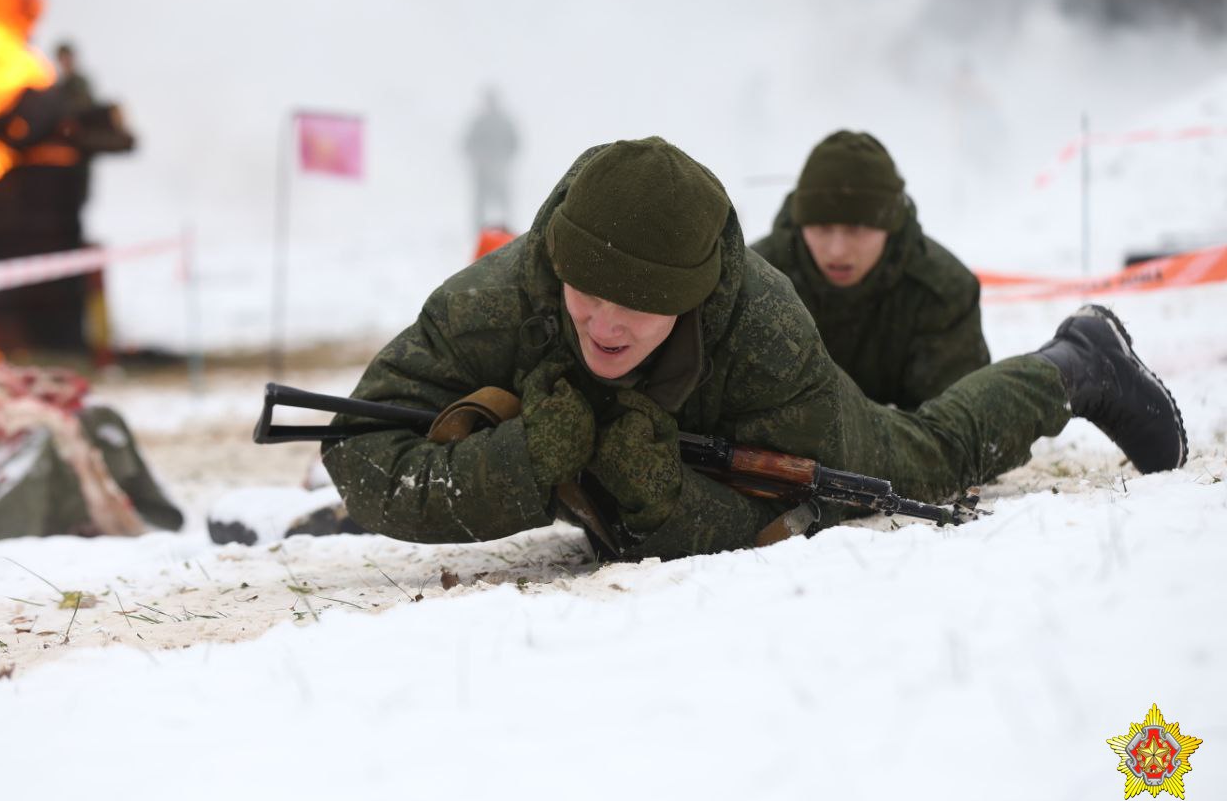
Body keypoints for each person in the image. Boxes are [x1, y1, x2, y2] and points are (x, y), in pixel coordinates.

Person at [321, 137, 1186, 561]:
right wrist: (521, 460)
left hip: (762, 417)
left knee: (927, 457)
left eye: (641, 307)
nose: (605, 325)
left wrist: (664, 501)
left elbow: (790, 520)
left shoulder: (762, 330)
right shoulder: (497, 300)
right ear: (555, 263)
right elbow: (358, 448)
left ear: (693, 299)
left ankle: (1077, 361)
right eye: (587, 294)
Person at [751, 130, 989, 409]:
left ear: (890, 227)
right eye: (821, 228)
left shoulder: (942, 290)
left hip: (903, 447)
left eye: (857, 228)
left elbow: (959, 422)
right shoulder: (754, 281)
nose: (837, 250)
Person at [463, 87, 520, 233]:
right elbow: (467, 144)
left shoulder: (504, 122)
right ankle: (479, 231)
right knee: (480, 202)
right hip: (482, 171)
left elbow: (515, 143)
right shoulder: (479, 122)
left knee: (504, 202)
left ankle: (506, 231)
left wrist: (504, 158)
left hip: (500, 168)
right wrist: (479, 157)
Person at [54, 41, 95, 115]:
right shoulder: (57, 84)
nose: (66, 62)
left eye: (67, 57)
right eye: (63, 58)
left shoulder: (80, 82)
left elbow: (86, 103)